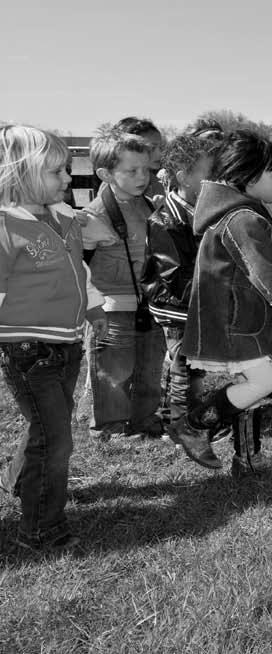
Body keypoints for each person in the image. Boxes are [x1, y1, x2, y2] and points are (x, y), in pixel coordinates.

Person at [167, 130, 272, 475]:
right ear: (246, 177)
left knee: (251, 388)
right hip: (237, 324)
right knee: (263, 383)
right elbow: (264, 271)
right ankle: (194, 424)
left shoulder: (244, 212)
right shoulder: (243, 219)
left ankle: (247, 459)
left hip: (247, 321)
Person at [0, 126, 107, 551]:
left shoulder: (64, 217)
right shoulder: (6, 228)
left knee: (47, 424)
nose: (68, 179)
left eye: (67, 170)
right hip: (25, 347)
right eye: (56, 171)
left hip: (66, 343)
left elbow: (80, 271)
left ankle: (20, 481)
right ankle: (41, 529)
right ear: (20, 173)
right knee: (56, 436)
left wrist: (95, 308)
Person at [82, 126, 166, 438]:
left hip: (149, 303)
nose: (142, 176)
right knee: (114, 371)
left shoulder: (145, 204)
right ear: (105, 174)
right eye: (132, 171)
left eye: (145, 169)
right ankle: (111, 428)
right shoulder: (96, 214)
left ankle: (145, 420)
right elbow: (80, 261)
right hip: (112, 306)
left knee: (149, 368)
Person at [140, 133, 214, 428]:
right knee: (183, 362)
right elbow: (175, 276)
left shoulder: (203, 211)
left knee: (196, 361)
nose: (214, 182)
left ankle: (191, 413)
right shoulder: (165, 220)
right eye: (208, 175)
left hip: (198, 299)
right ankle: (179, 422)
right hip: (176, 305)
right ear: (183, 177)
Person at [113, 117, 166, 201]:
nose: (160, 154)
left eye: (161, 147)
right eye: (151, 148)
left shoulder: (156, 184)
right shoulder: (115, 185)